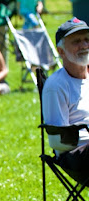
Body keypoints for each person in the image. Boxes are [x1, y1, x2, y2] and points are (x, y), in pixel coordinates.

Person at [42, 17, 89, 185]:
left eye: (86, 40)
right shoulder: (56, 85)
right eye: (76, 41)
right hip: (76, 156)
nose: (84, 45)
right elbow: (58, 140)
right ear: (61, 51)